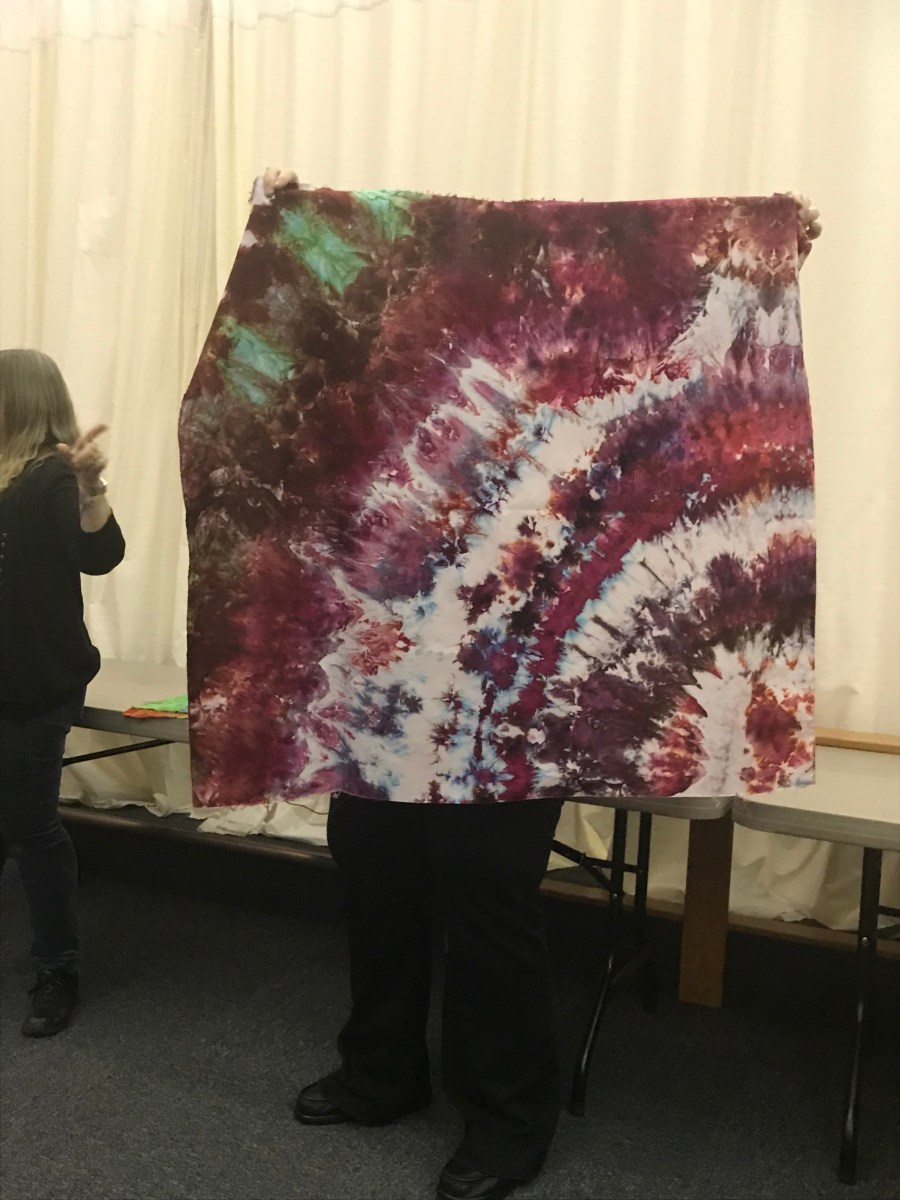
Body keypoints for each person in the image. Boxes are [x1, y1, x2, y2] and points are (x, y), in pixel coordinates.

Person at [263, 171, 823, 1200]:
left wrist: (756, 257)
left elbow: (686, 391)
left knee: (486, 901)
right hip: (391, 675)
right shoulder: (424, 347)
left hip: (520, 692)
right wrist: (296, 228)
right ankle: (381, 1067)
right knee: (374, 870)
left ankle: (508, 1117)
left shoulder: (590, 354)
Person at [0, 348, 125, 1037]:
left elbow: (99, 555)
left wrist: (91, 488)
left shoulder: (52, 474)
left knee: (32, 828)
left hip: (34, 684)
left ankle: (58, 970)